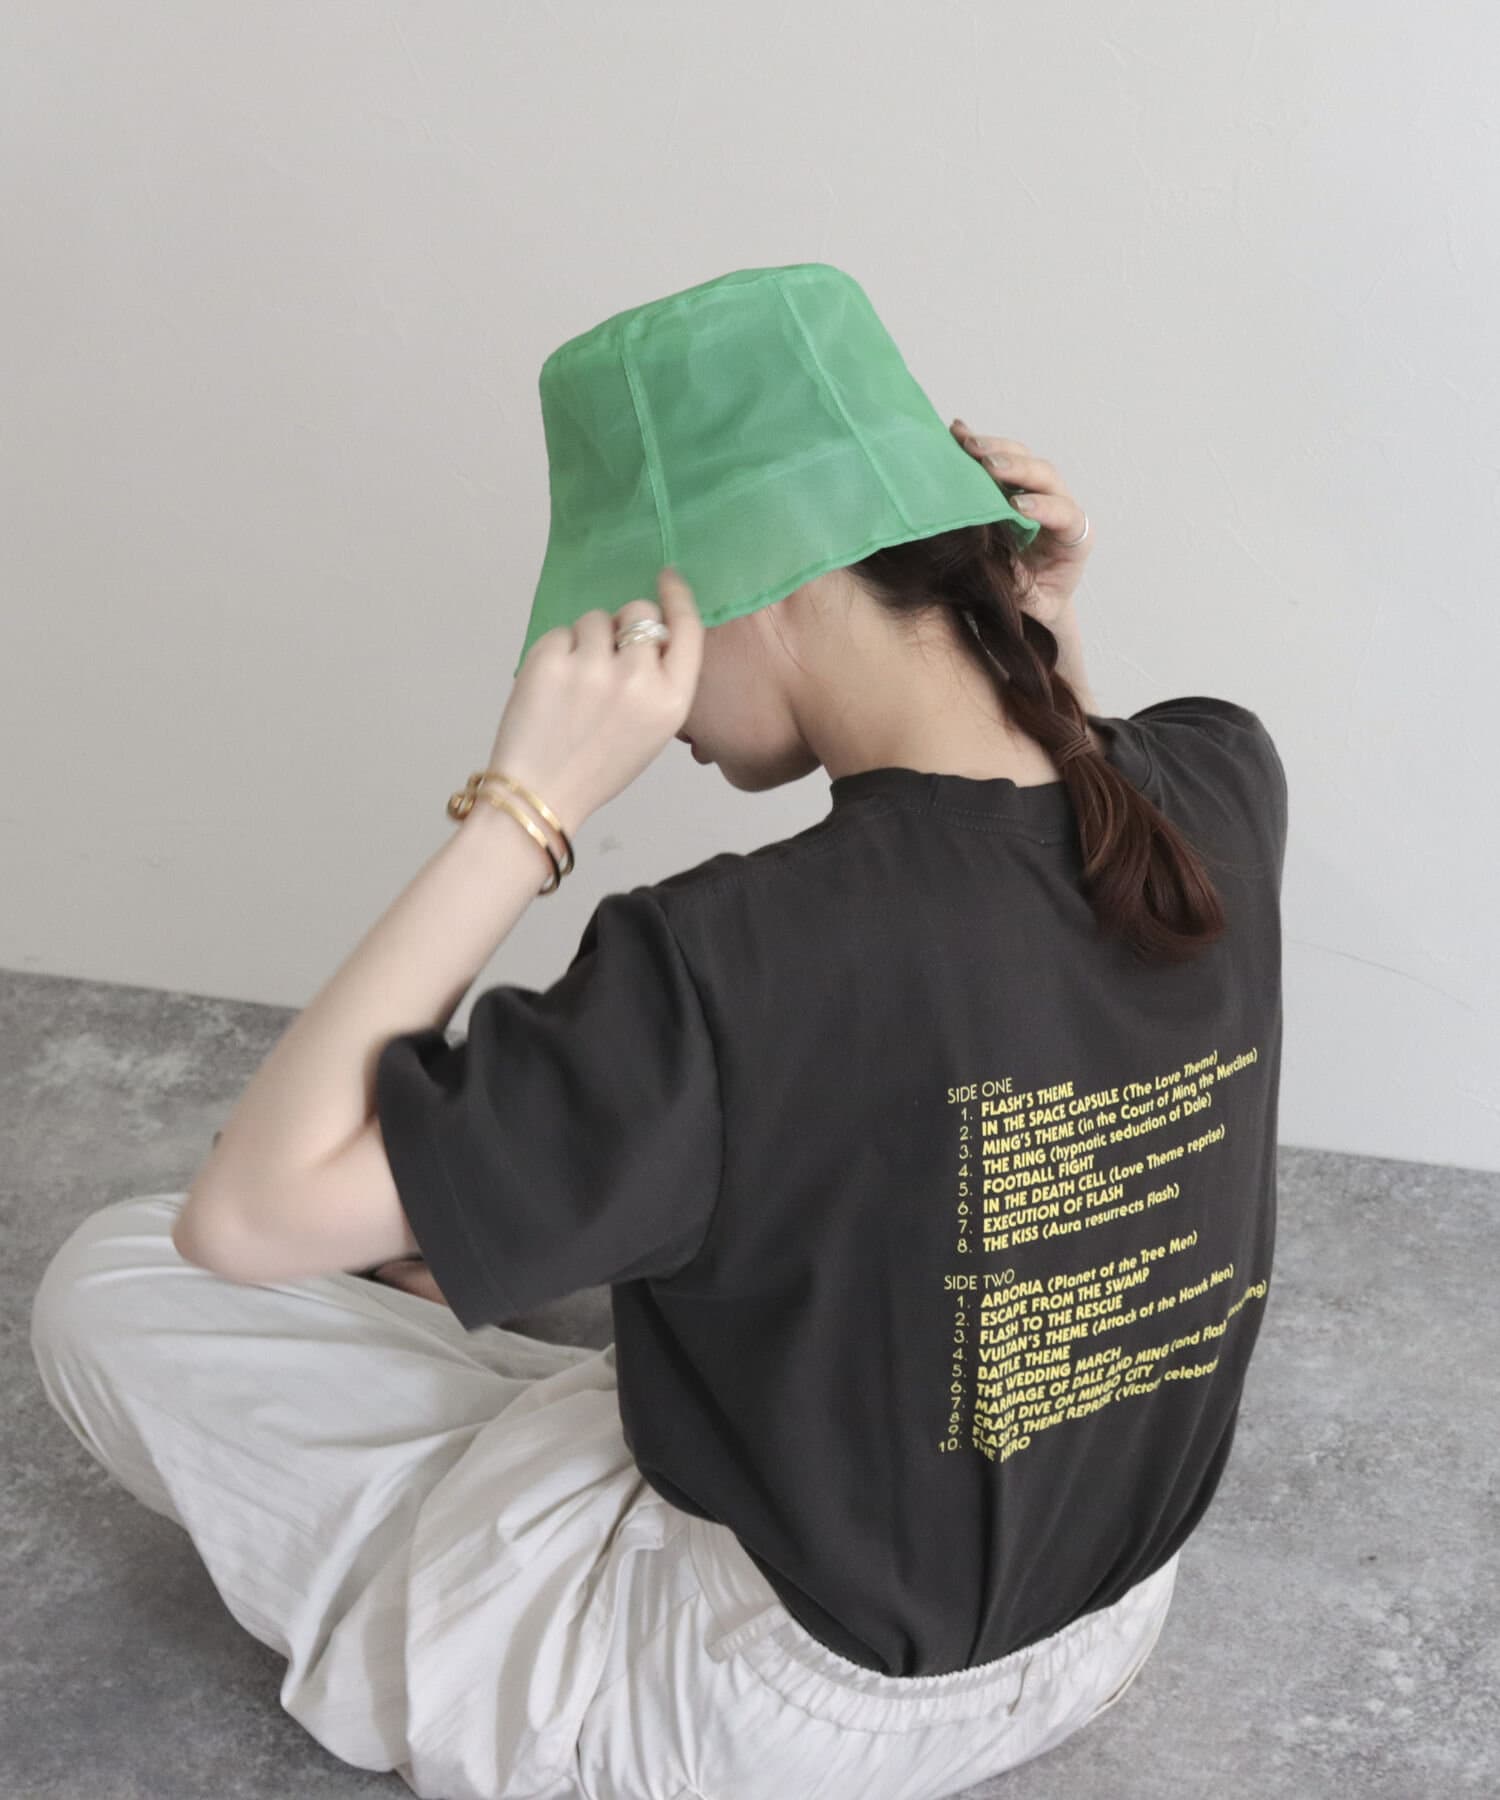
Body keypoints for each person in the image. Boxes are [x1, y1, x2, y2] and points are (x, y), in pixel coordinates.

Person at [30, 264, 1287, 1800]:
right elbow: (1032, 931)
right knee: (691, 1216)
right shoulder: (1227, 779)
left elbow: (244, 1217)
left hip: (767, 1706)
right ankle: (519, 1211)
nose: (657, 697)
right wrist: (1043, 636)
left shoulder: (733, 956)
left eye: (637, 620)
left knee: (119, 1278)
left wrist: (526, 805)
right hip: (1102, 1623)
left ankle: (504, 1232)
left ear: (748, 589)